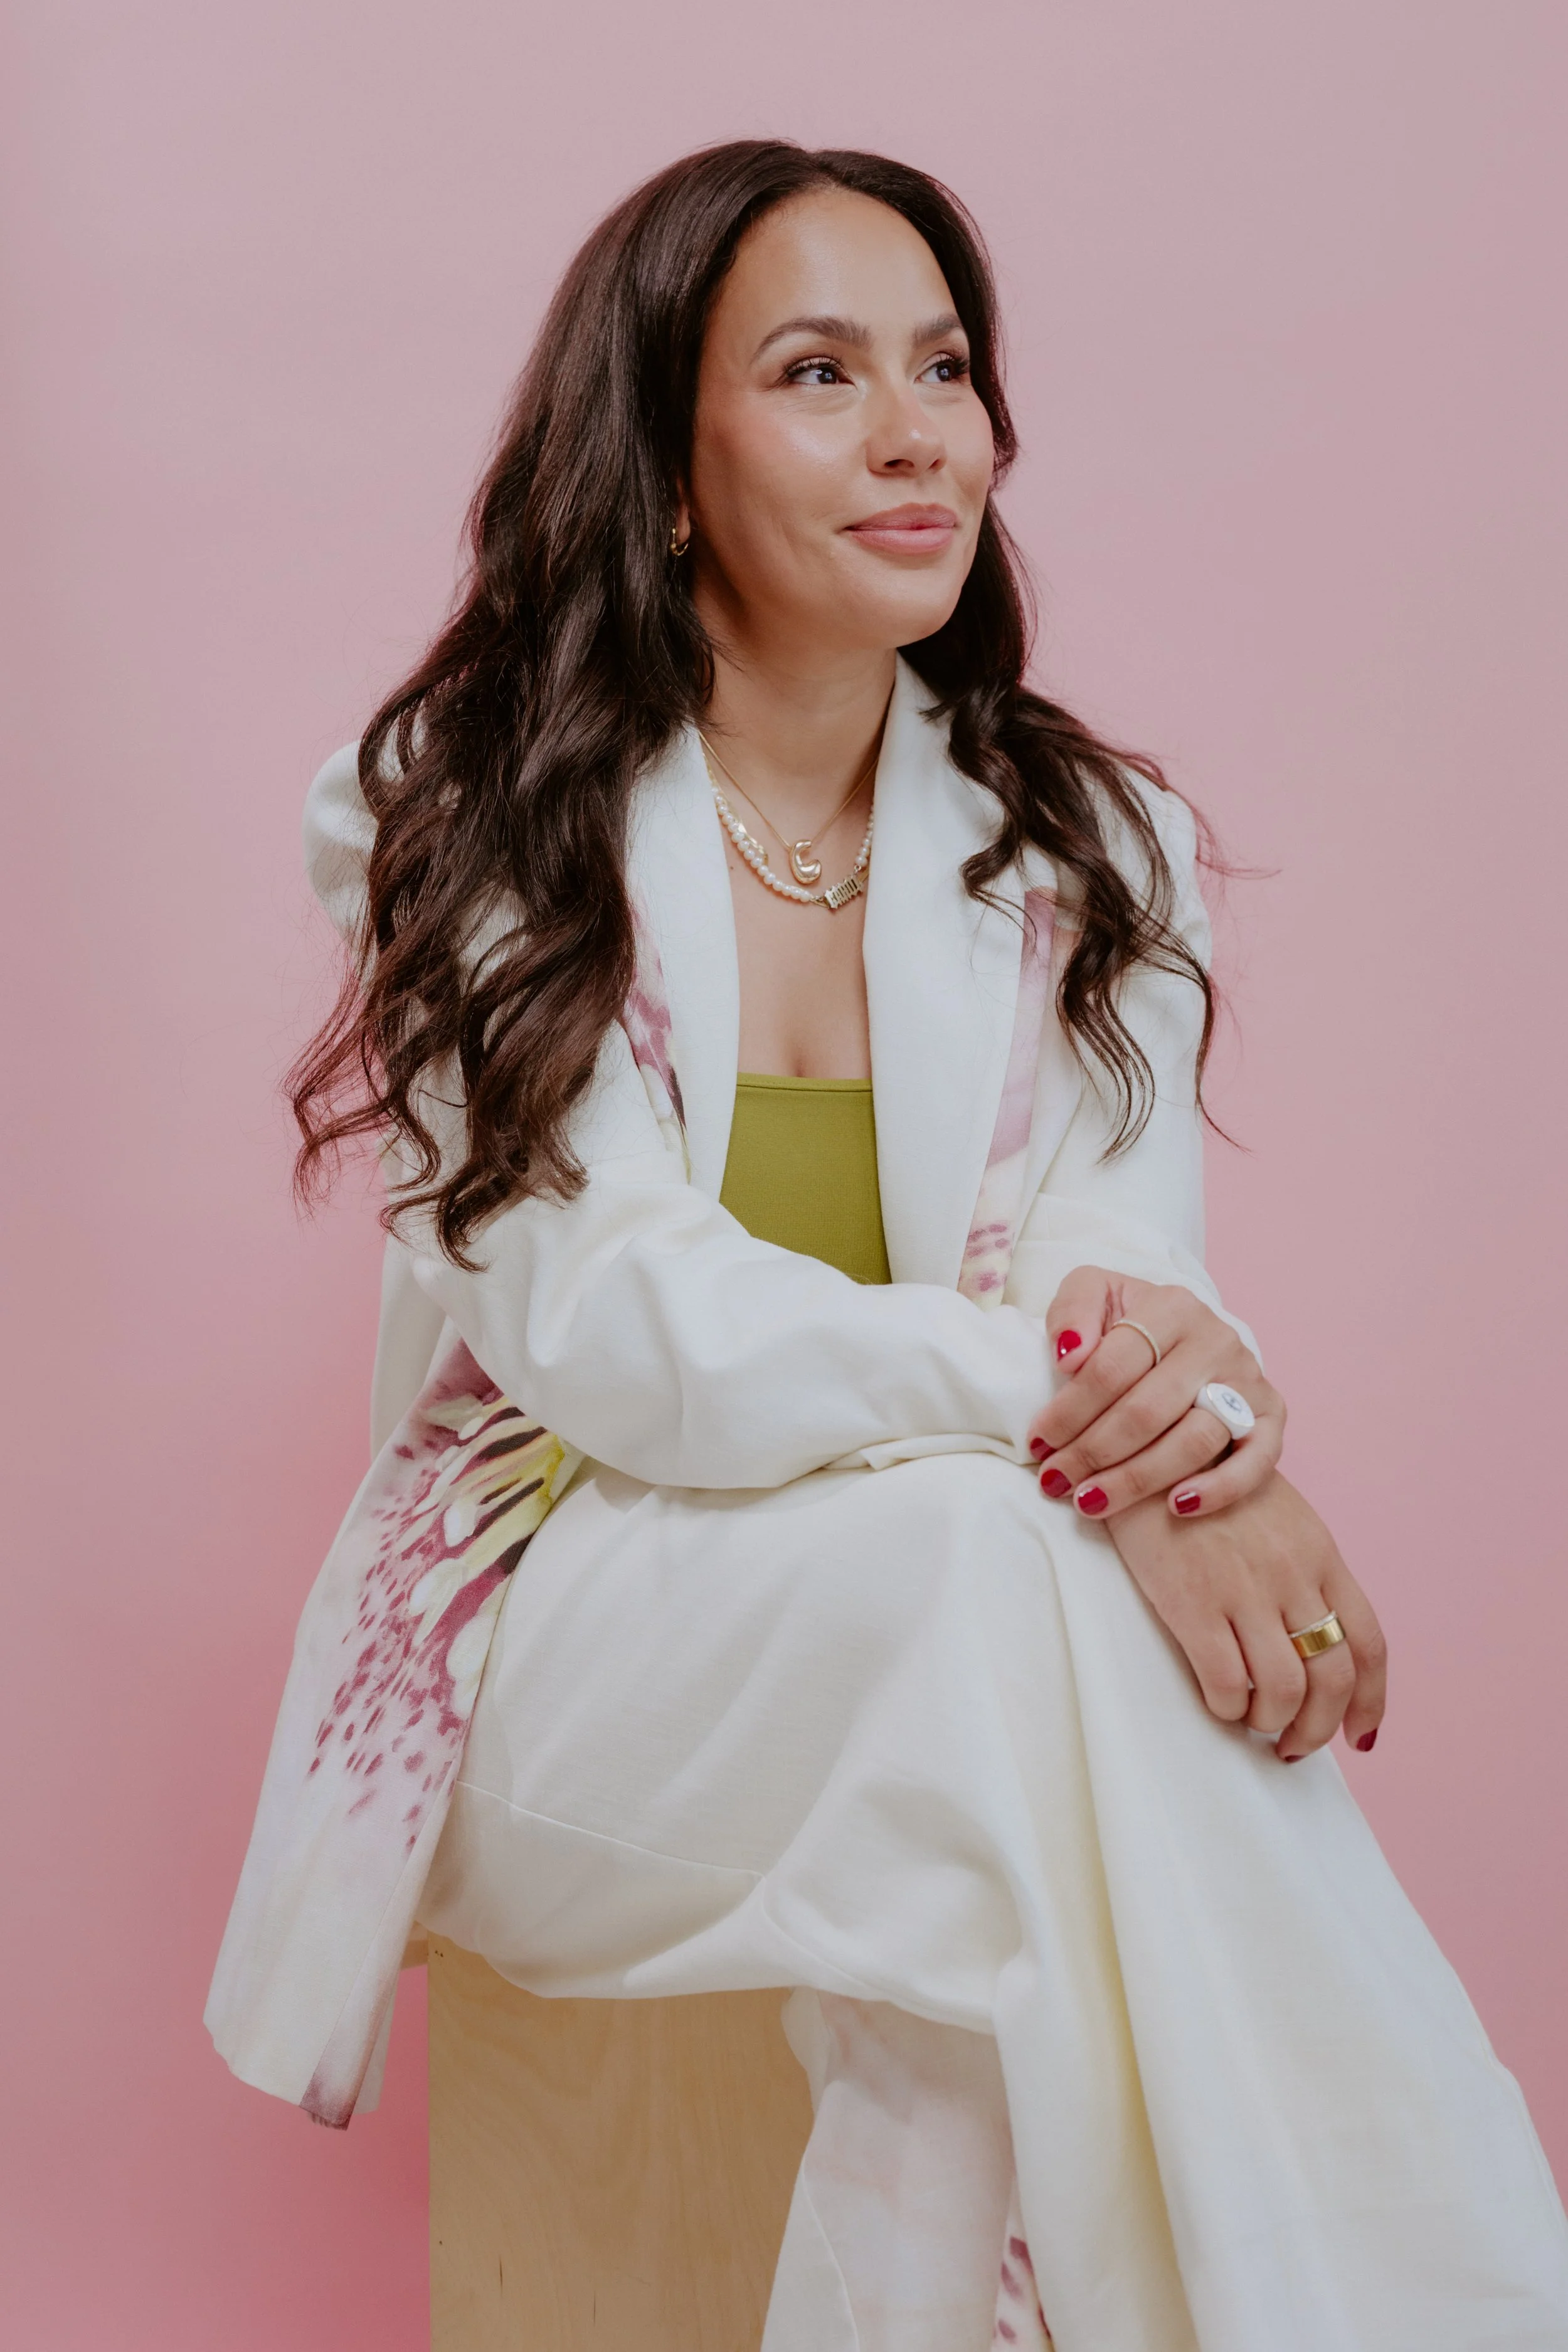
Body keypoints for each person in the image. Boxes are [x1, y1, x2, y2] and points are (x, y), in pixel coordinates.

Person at [207, 142, 1568, 2349]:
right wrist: (1111, 1431)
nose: (920, 428)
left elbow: (1133, 1277)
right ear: (661, 462)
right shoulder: (466, 808)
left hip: (933, 1641)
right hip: (564, 1641)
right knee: (997, 1571)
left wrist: (1185, 1414)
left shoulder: (1089, 843)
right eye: (820, 373)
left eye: (942, 364)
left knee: (976, 1802)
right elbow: (621, 1330)